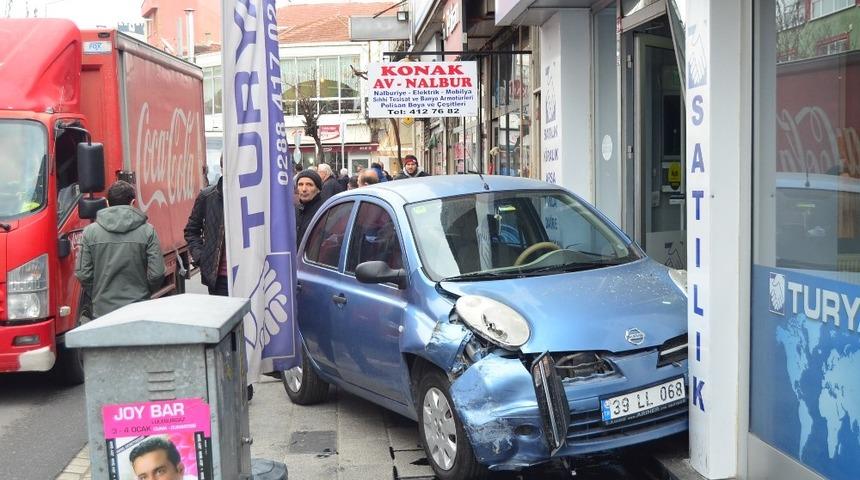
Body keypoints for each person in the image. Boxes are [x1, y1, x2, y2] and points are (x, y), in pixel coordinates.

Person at [75, 180, 165, 318]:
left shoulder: (90, 232)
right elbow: (157, 273)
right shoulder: (148, 231)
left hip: (103, 310)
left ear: (107, 203)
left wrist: (98, 293)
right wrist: (145, 292)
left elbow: (83, 273)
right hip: (138, 308)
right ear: (133, 202)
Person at [184, 156, 228, 296]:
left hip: (249, 276)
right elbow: (191, 231)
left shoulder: (253, 196)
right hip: (220, 279)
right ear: (222, 168)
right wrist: (201, 258)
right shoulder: (207, 196)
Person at [295, 169, 324, 242]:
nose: (304, 189)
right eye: (300, 184)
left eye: (309, 185)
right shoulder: (295, 211)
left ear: (318, 189)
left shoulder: (324, 211)